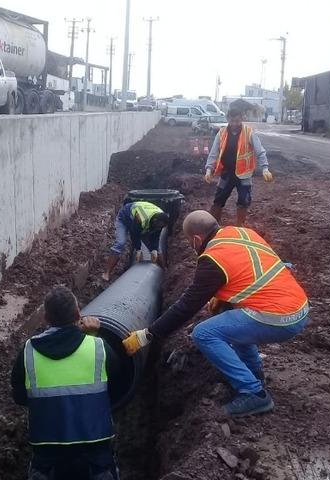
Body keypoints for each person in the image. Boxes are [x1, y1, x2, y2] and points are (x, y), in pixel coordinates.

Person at [122, 210, 309, 416]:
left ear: (196, 239)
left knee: (204, 333)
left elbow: (186, 306)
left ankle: (254, 394)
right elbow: (255, 269)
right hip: (298, 307)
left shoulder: (212, 260)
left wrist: (147, 334)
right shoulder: (243, 233)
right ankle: (254, 373)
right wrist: (224, 297)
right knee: (230, 316)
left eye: (188, 242)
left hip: (278, 317)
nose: (192, 247)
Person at [11, 285, 121, 480]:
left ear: (46, 318)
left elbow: (19, 397)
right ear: (78, 314)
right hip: (95, 452)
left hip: (47, 454)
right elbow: (116, 389)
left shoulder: (28, 352)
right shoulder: (98, 347)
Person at [204, 99, 274, 226]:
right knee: (218, 200)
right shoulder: (222, 133)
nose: (234, 124)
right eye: (232, 121)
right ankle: (213, 227)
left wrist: (265, 168)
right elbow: (214, 152)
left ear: (241, 118)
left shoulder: (249, 132)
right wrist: (209, 169)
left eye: (237, 121)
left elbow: (260, 151)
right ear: (227, 119)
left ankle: (240, 227)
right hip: (227, 172)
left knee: (243, 201)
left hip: (244, 175)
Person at [103, 201, 170, 281]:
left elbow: (156, 236)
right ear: (155, 221)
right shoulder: (141, 218)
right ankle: (106, 273)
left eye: (162, 227)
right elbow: (134, 234)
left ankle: (164, 272)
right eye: (160, 226)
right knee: (120, 243)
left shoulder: (161, 219)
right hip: (124, 219)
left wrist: (154, 249)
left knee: (157, 250)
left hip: (143, 224)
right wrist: (138, 249)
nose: (160, 228)